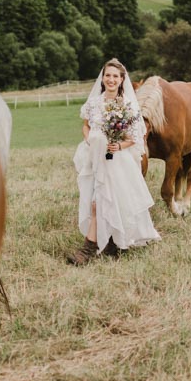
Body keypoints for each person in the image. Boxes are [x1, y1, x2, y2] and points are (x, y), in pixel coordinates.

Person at [68, 58, 160, 265]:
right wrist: (89, 139)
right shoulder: (94, 103)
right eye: (107, 75)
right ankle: (110, 243)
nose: (110, 79)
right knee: (99, 199)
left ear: (121, 80)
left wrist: (118, 146)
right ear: (102, 78)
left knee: (103, 201)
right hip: (95, 156)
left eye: (115, 76)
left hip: (117, 158)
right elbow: (86, 125)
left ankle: (88, 250)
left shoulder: (127, 105)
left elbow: (134, 137)